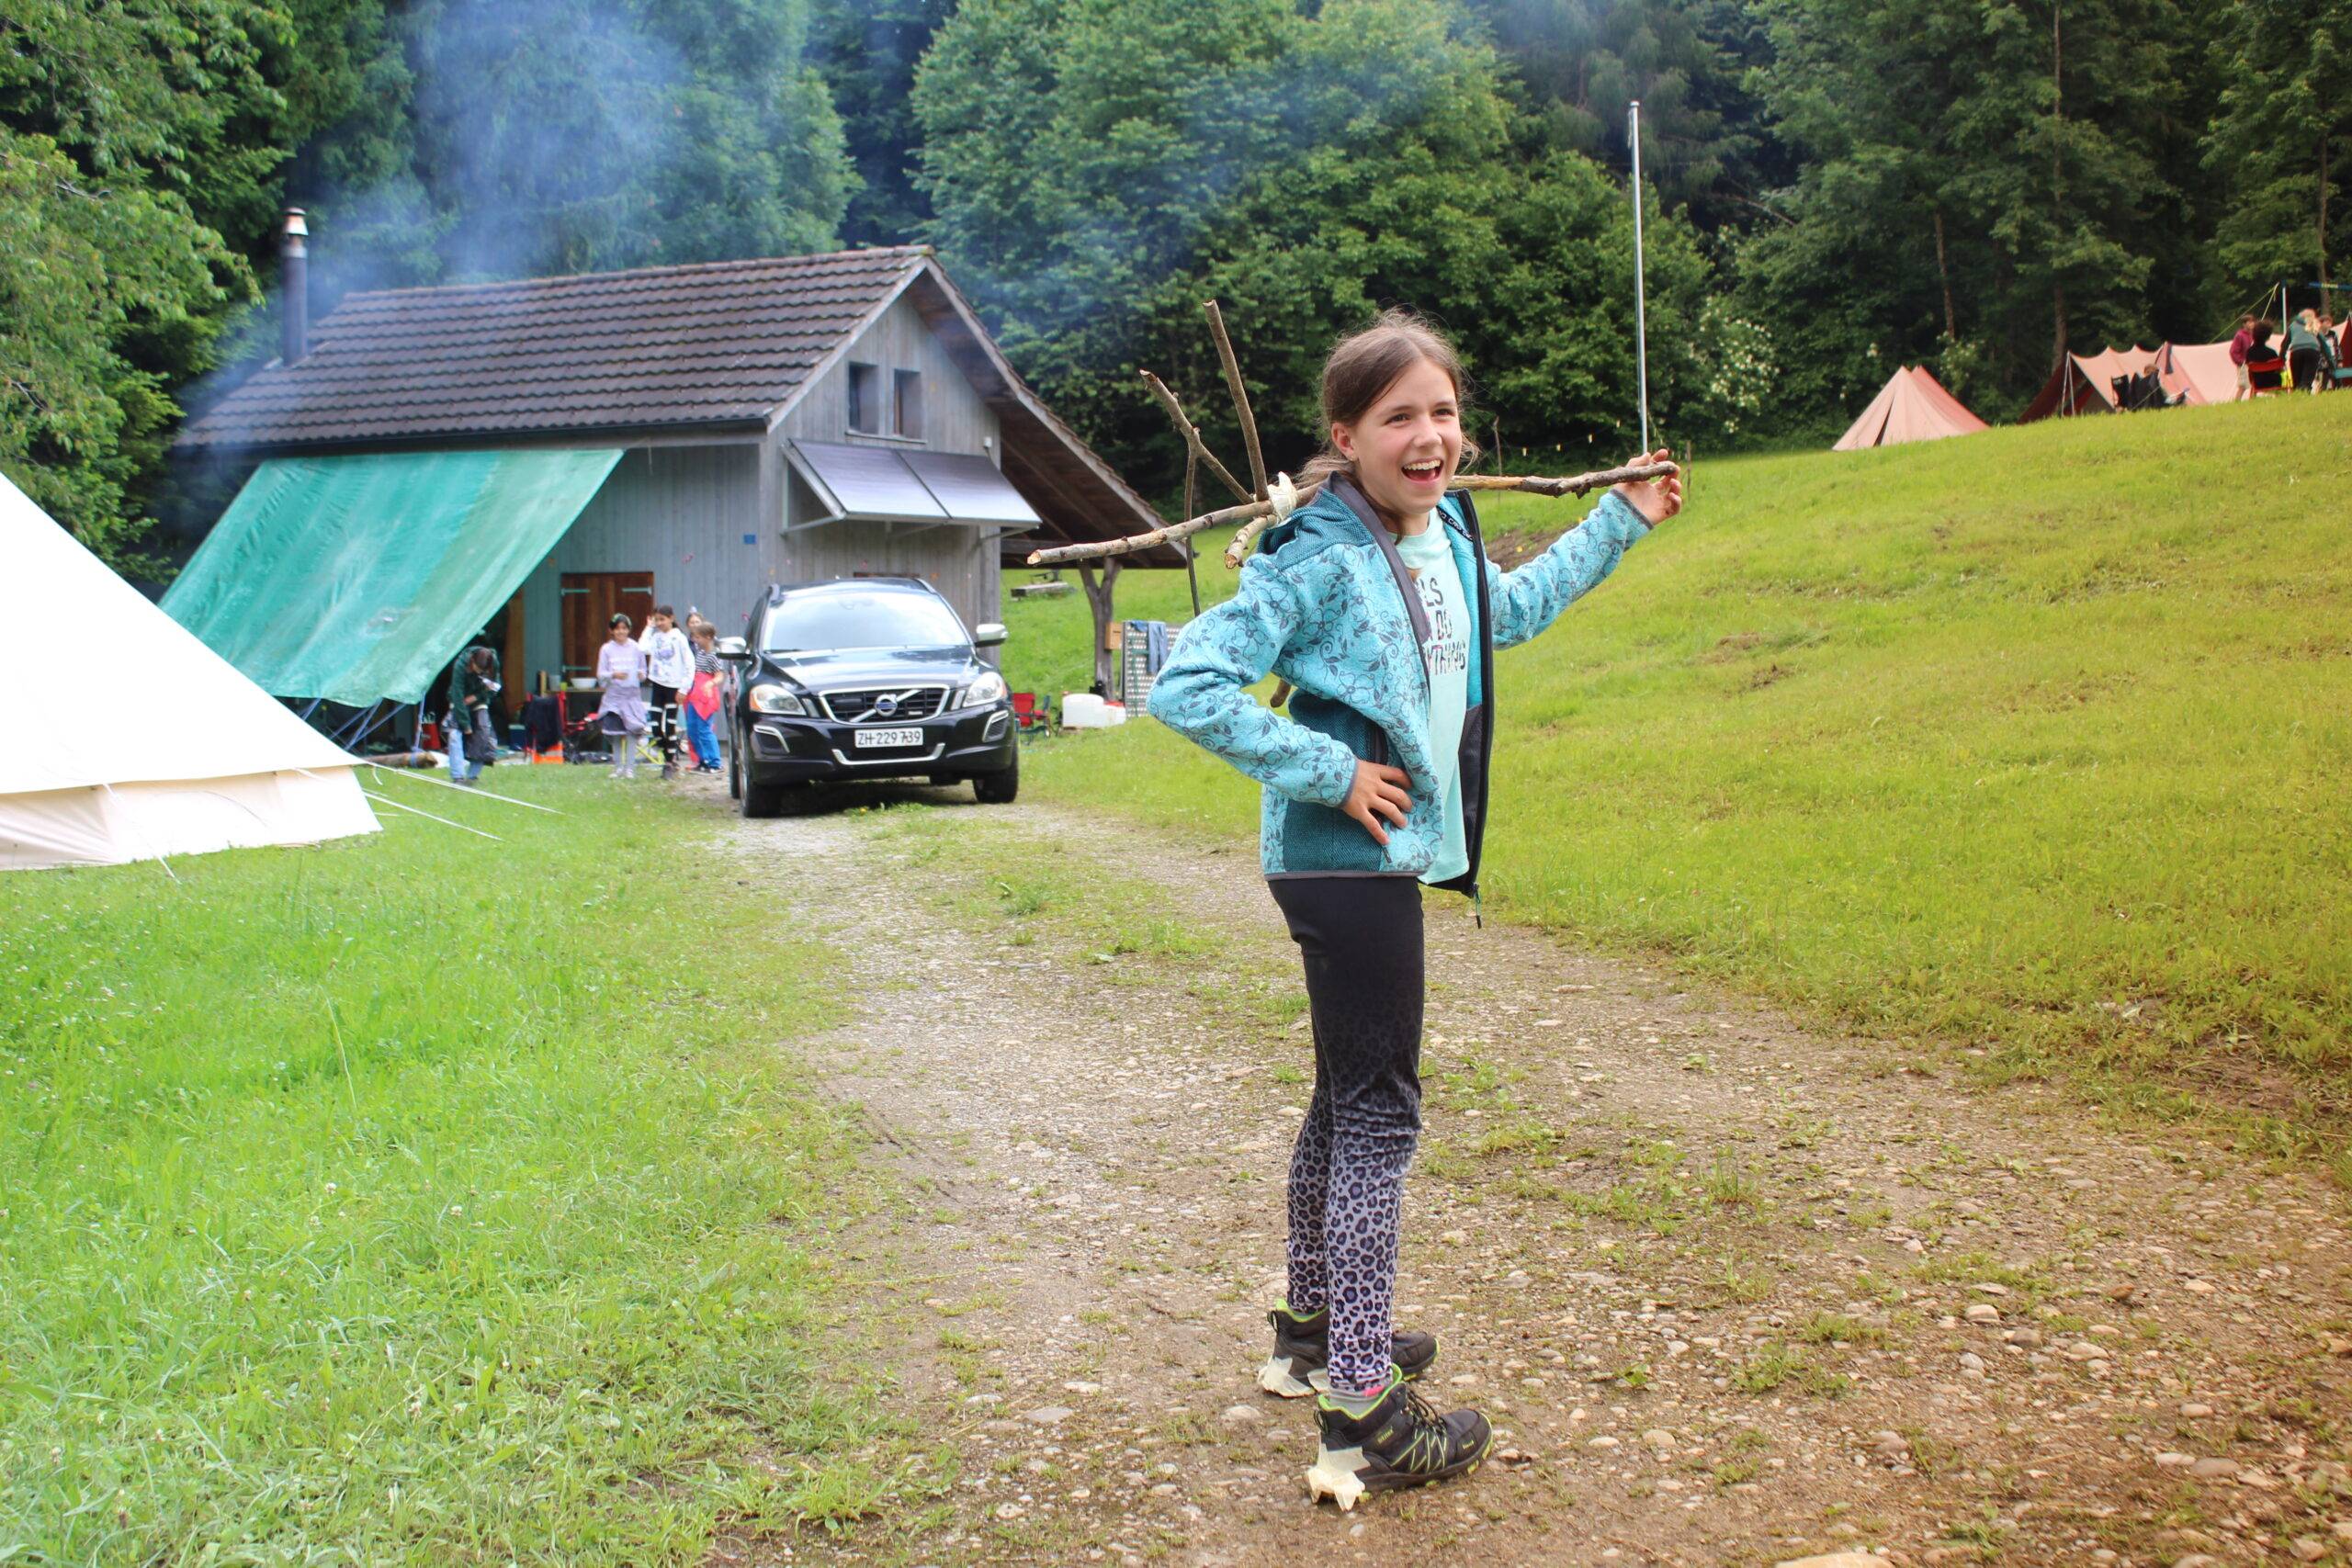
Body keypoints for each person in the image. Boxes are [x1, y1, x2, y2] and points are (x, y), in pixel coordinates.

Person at [1146, 310, 1681, 1509]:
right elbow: (1185, 683)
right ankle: (1360, 1402)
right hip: (1344, 861)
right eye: (1399, 417)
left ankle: (1313, 1328)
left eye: (1443, 411)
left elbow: (1508, 614)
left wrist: (1619, 520)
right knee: (1381, 1116)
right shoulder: (1316, 556)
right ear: (1346, 437)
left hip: (1379, 863)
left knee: (1347, 1099)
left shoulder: (1438, 536)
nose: (1429, 435)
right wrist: (1330, 770)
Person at [642, 604, 695, 781]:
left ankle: (669, 762)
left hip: (673, 686)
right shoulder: (655, 637)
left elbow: (689, 664)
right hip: (658, 684)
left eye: (662, 619)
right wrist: (648, 628)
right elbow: (642, 648)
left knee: (670, 725)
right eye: (656, 620)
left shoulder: (679, 638)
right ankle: (668, 753)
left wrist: (684, 688)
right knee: (655, 725)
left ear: (671, 618)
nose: (659, 623)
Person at [595, 613, 650, 779]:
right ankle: (618, 767)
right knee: (616, 734)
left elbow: (644, 671)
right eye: (618, 629)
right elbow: (601, 674)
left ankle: (630, 768)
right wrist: (614, 675)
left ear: (629, 630)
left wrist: (641, 675)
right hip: (614, 697)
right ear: (612, 630)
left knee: (632, 732)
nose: (621, 632)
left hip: (632, 697)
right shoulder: (606, 649)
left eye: (624, 628)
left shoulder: (636, 648)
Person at [445, 645, 500, 785]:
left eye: (483, 671)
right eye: (478, 669)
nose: (480, 673)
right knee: (454, 735)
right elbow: (457, 696)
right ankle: (458, 777)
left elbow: (495, 687)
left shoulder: (493, 663)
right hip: (460, 700)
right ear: (472, 660)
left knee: (484, 734)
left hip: (479, 699)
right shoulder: (460, 665)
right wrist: (466, 725)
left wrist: (476, 696)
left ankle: (472, 776)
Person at [684, 621, 724, 773]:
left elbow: (720, 675)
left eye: (698, 637)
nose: (696, 640)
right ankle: (703, 760)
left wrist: (710, 683)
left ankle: (715, 763)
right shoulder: (699, 654)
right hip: (695, 696)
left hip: (706, 698)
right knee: (692, 729)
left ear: (708, 637)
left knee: (705, 730)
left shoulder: (714, 655)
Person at [2285, 309, 2325, 393]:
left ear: (2300, 316)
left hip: (2296, 351)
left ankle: (2297, 393)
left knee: (2296, 377)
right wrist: (2331, 362)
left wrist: (2281, 358)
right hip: (2313, 351)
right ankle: (2305, 390)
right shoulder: (2315, 324)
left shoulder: (2293, 325)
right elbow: (2324, 344)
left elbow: (2285, 343)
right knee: (2307, 378)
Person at [2246, 321, 2287, 394]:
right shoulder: (2272, 352)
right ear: (2268, 337)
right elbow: (2281, 369)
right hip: (2274, 382)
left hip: (2257, 383)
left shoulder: (2249, 352)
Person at [2228, 315, 2256, 401]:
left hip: (2252, 364)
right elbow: (2233, 351)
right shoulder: (2239, 335)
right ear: (2244, 324)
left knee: (2254, 384)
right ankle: (2237, 402)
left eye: (2253, 321)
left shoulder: (2253, 335)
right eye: (2249, 322)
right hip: (2243, 365)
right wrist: (2241, 361)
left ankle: (2253, 401)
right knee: (2243, 386)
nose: (2252, 324)